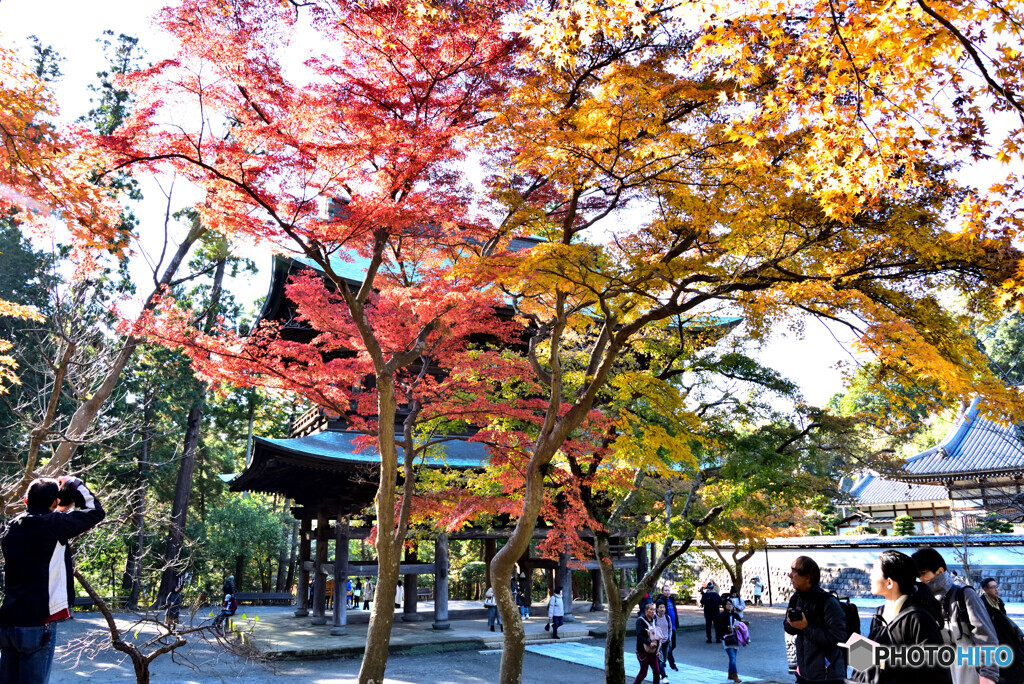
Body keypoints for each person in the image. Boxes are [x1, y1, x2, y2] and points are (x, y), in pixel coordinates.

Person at [0, 476, 104, 684]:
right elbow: (95, 511)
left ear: (25, 501)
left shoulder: (12, 526)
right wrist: (74, 483)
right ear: (55, 501)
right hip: (38, 623)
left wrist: (57, 508)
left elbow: (42, 524)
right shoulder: (53, 525)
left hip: (8, 622)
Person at [849, 550, 951, 684]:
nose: (870, 576)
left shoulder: (918, 618)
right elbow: (865, 666)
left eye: (874, 571)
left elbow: (936, 672)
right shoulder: (880, 614)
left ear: (890, 582)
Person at [912, 548, 999, 684]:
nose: (921, 580)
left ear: (940, 571)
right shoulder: (920, 600)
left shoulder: (964, 595)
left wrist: (988, 674)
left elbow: (986, 638)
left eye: (924, 574)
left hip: (968, 674)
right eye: (918, 576)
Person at [783, 555, 847, 684]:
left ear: (808, 577)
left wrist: (806, 627)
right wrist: (791, 622)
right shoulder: (796, 598)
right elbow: (788, 628)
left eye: (794, 570)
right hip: (803, 674)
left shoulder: (828, 602)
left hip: (828, 676)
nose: (790, 575)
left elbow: (839, 638)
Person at [633, 601, 661, 684]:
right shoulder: (640, 621)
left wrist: (658, 649)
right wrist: (649, 643)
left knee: (657, 672)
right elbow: (639, 635)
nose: (652, 612)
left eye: (654, 610)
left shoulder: (654, 621)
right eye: (650, 609)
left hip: (653, 650)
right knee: (643, 673)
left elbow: (656, 636)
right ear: (645, 611)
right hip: (642, 650)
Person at [716, 598, 743, 683]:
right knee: (732, 658)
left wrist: (738, 627)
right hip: (726, 638)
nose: (729, 605)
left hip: (735, 638)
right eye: (727, 604)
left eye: (730, 604)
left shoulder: (736, 615)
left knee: (733, 658)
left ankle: (730, 674)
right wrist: (727, 628)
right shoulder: (721, 616)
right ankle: (735, 675)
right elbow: (718, 627)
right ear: (724, 606)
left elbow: (741, 625)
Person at [654, 584, 679, 671]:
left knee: (673, 645)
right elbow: (659, 613)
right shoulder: (661, 600)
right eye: (666, 590)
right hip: (665, 627)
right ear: (662, 591)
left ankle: (664, 659)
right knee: (668, 646)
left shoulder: (671, 599)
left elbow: (674, 612)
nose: (667, 592)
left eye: (668, 590)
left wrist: (676, 623)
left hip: (673, 626)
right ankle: (670, 663)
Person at [654, 602, 673, 682]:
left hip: (666, 641)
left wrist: (669, 638)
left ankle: (660, 673)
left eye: (663, 607)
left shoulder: (667, 617)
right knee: (660, 660)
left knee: (664, 660)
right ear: (657, 609)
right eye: (660, 607)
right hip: (658, 642)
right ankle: (664, 676)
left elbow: (670, 629)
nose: (662, 609)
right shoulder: (654, 618)